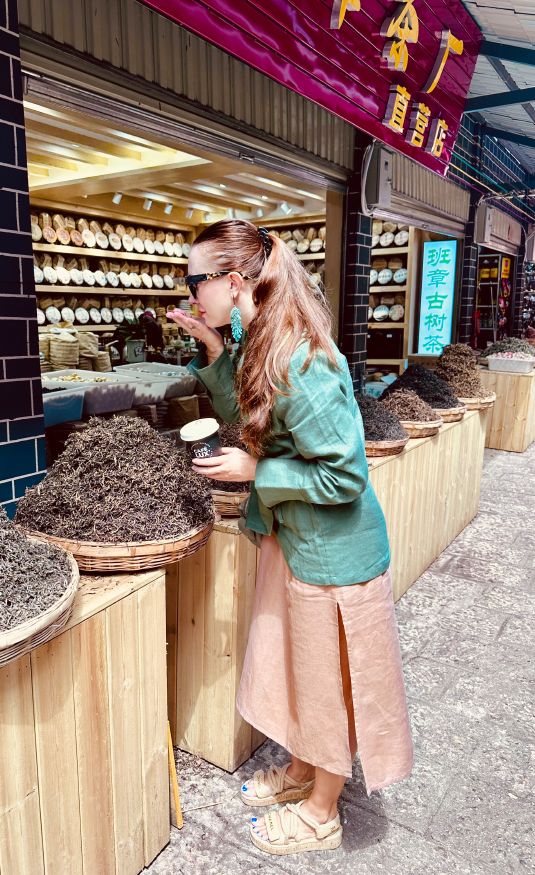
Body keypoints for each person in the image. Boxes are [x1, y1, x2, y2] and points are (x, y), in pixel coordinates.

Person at [167, 220, 413, 856]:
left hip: (335, 555)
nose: (189, 291)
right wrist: (215, 352)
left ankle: (323, 812)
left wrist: (256, 471)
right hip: (296, 540)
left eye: (196, 280)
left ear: (234, 280)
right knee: (302, 669)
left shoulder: (301, 357)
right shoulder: (261, 338)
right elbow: (248, 415)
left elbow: (345, 474)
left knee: (328, 682)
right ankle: (304, 772)